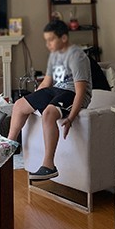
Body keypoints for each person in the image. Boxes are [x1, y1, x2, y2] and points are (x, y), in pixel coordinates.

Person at [7, 19, 92, 181]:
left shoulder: (77, 57)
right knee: (19, 105)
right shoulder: (54, 56)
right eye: (46, 41)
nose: (48, 44)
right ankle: (7, 148)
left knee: (48, 113)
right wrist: (33, 100)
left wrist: (71, 118)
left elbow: (81, 91)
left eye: (51, 40)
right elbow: (46, 83)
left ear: (64, 38)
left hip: (72, 92)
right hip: (56, 90)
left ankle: (49, 166)